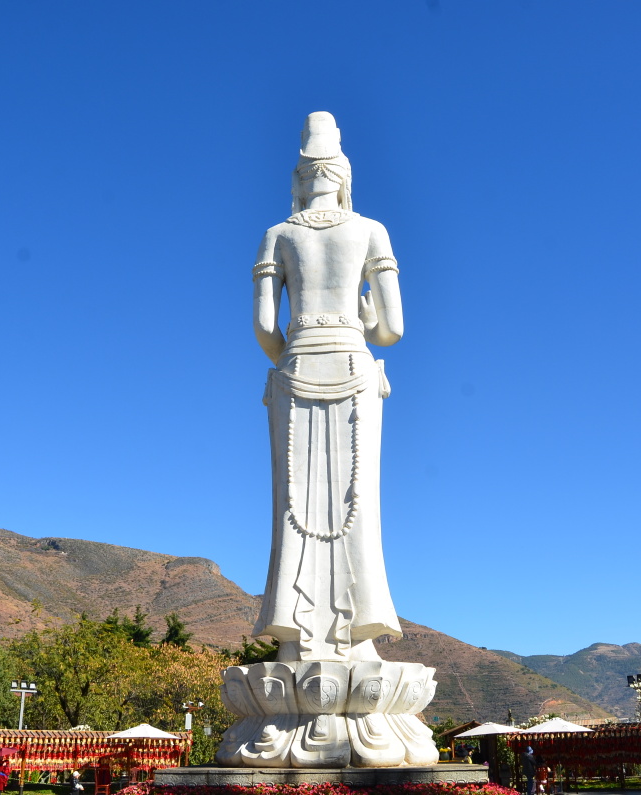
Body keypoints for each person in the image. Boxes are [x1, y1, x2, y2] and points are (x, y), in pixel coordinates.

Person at [251, 111, 406, 662]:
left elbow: (264, 329)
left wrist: (295, 354)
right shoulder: (370, 231)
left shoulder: (277, 235)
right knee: (356, 504)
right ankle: (358, 635)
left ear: (298, 178)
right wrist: (364, 319)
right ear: (343, 175)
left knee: (294, 504)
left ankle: (295, 635)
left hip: (294, 366)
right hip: (353, 364)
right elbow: (392, 331)